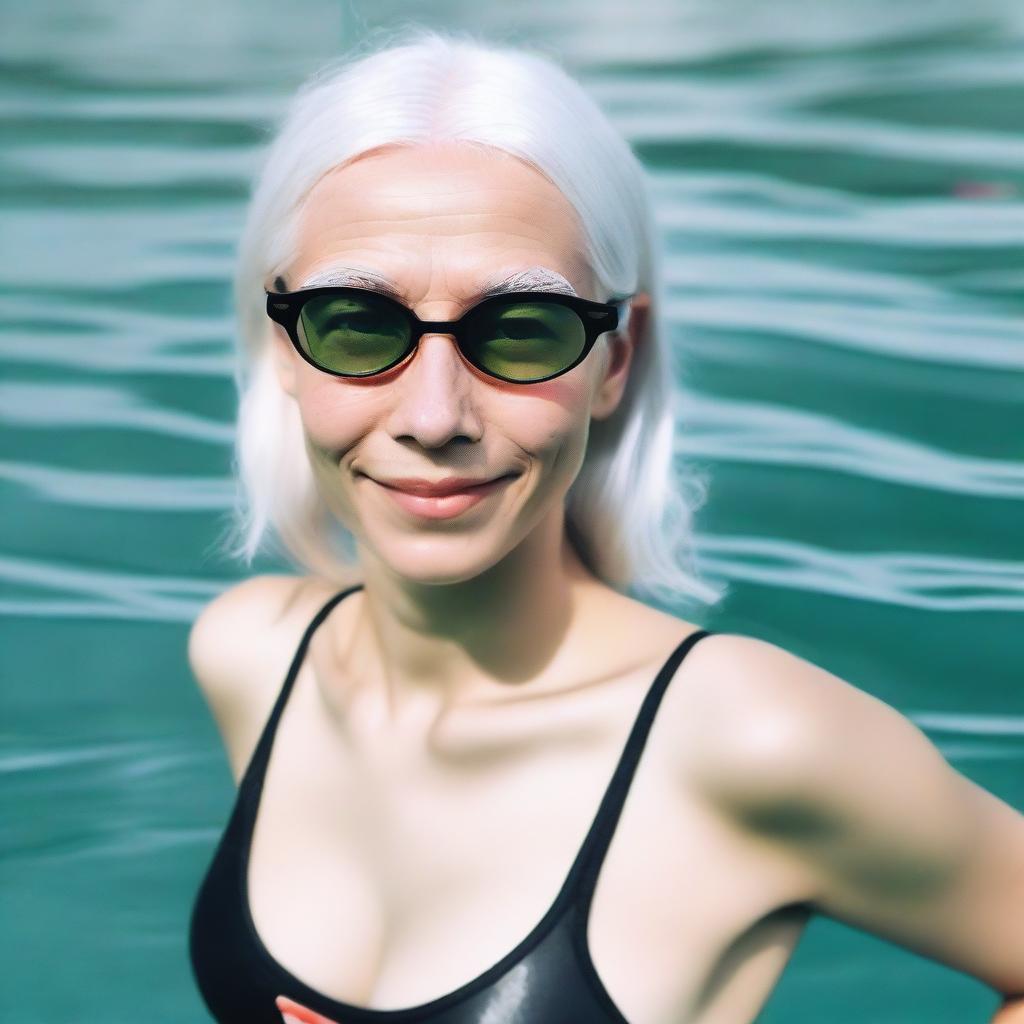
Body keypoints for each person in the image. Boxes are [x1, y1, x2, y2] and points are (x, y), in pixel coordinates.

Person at [186, 26, 1024, 1024]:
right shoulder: (251, 654)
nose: (433, 417)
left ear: (616, 360)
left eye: (523, 330)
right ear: (280, 343)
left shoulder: (749, 738)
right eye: (356, 324)